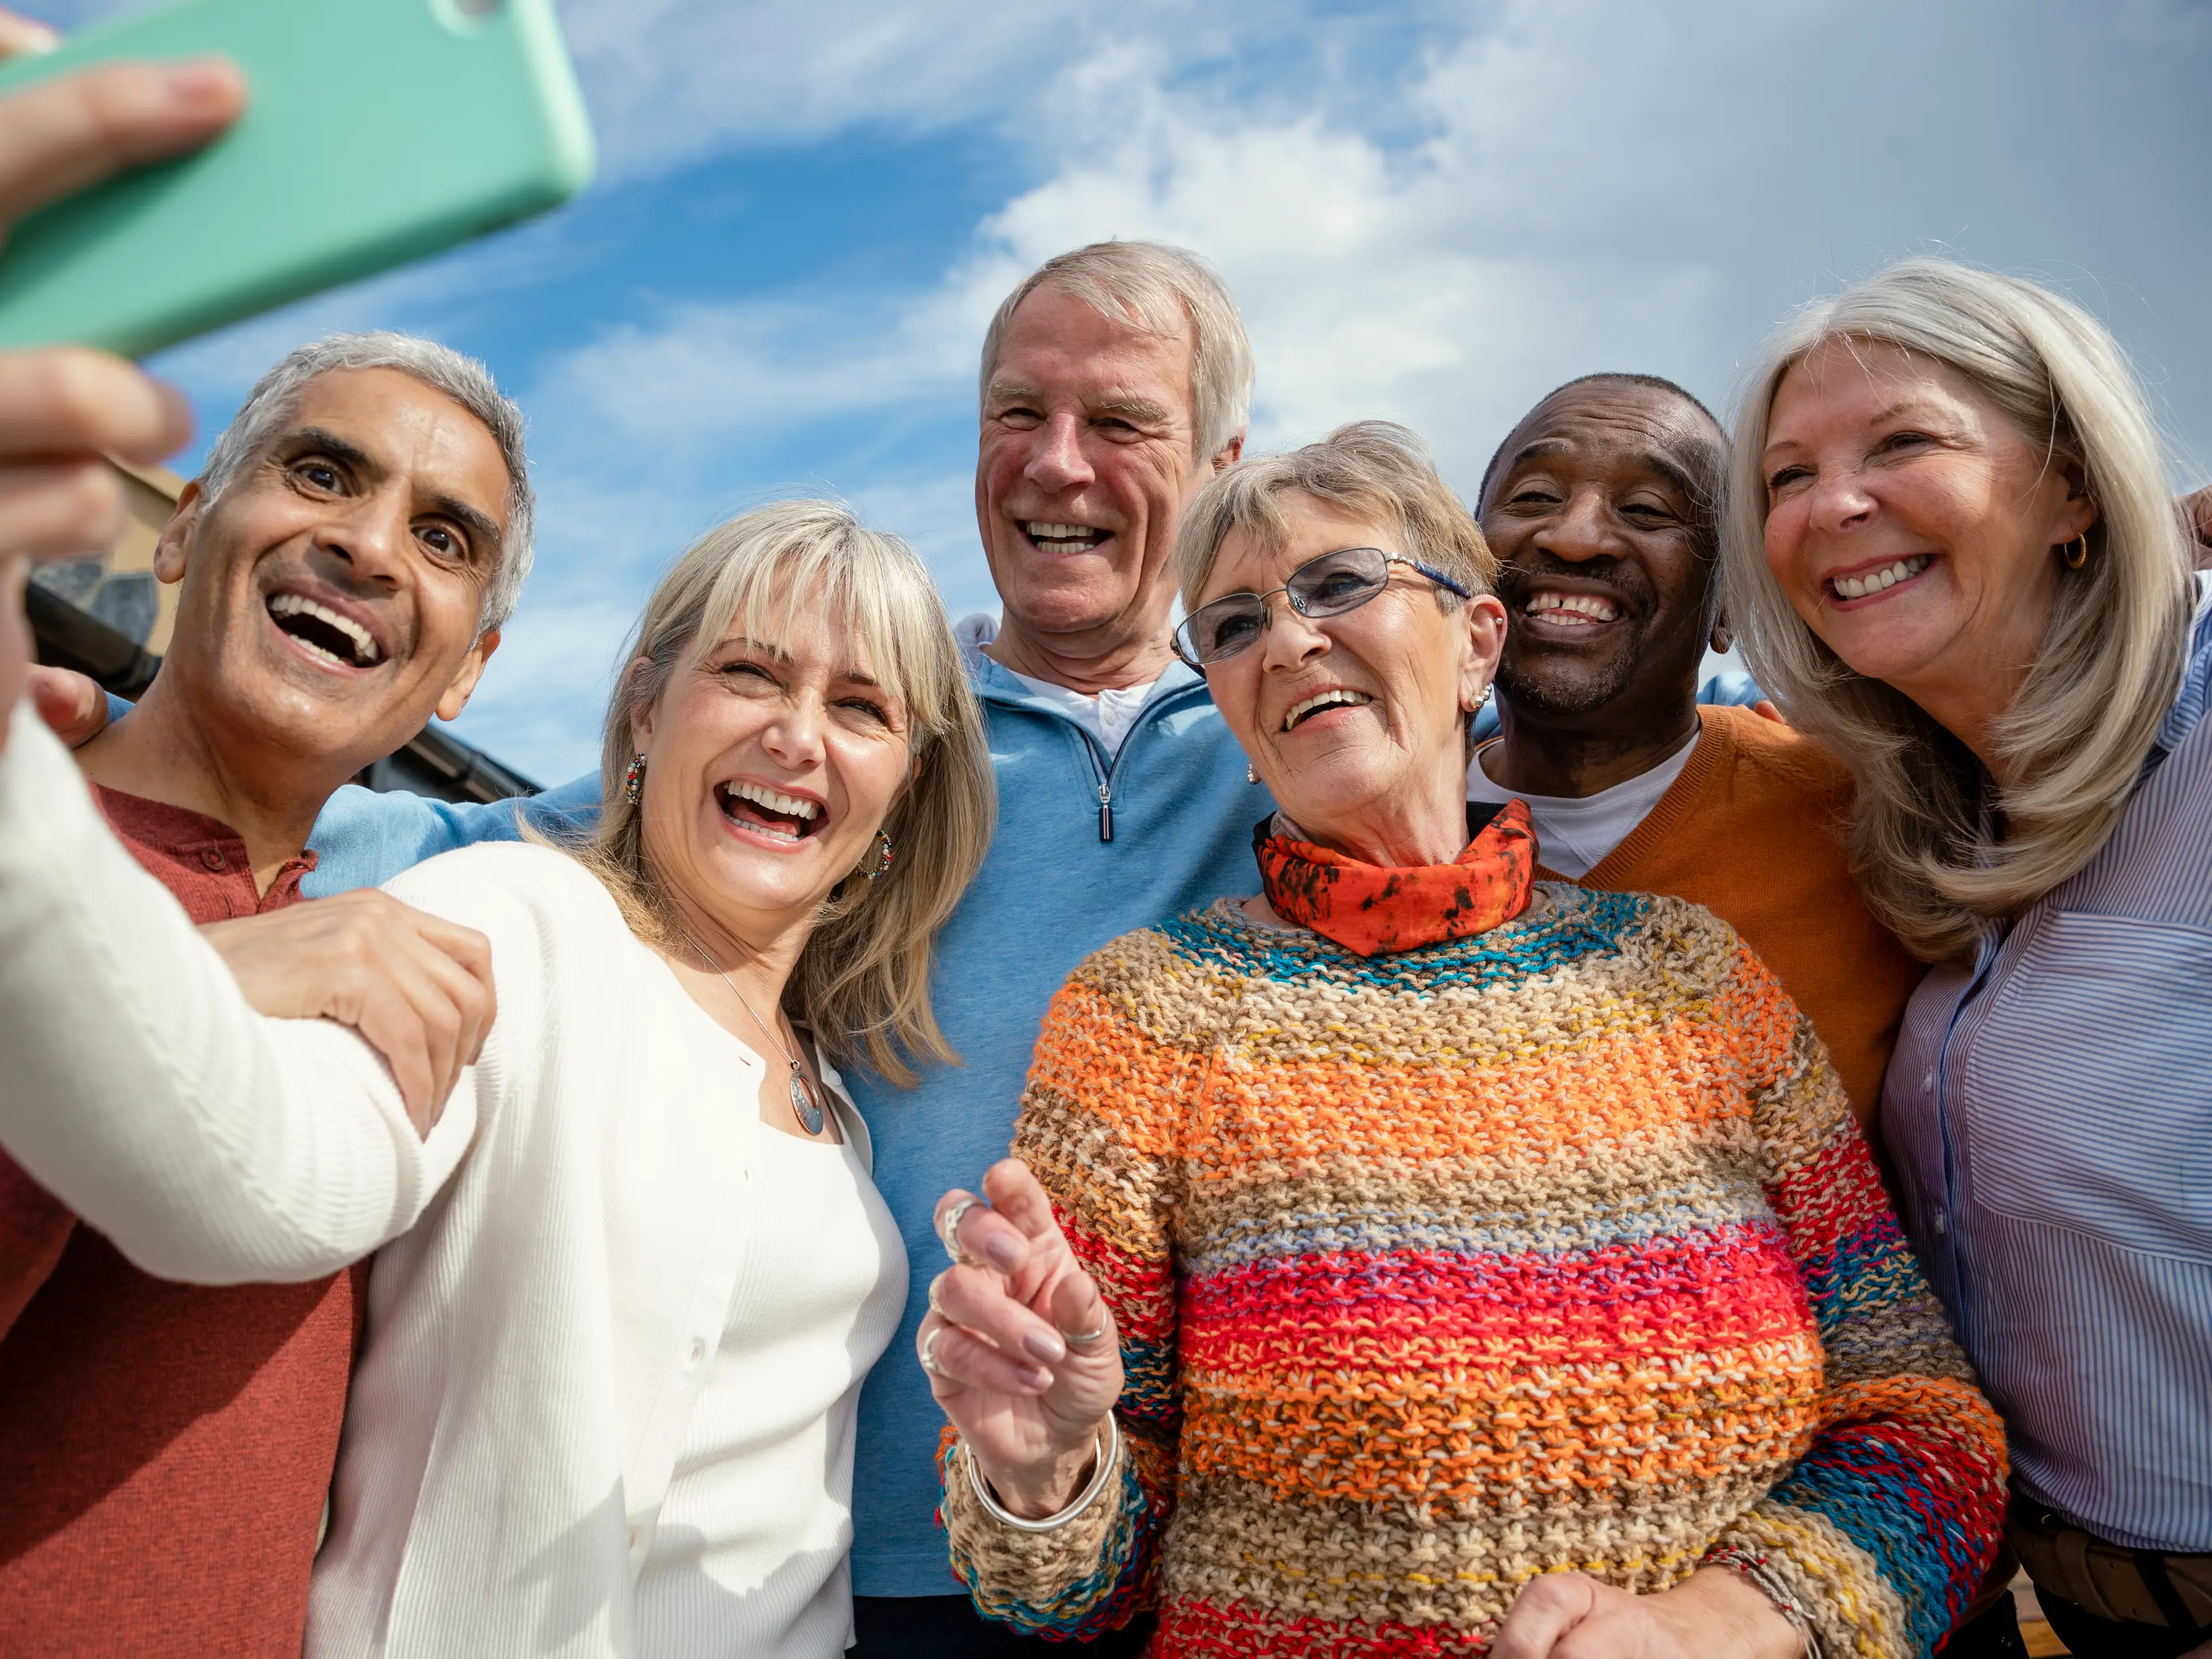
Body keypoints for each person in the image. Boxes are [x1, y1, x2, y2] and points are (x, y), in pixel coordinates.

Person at [245, 237, 1268, 1653]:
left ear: (1219, 457)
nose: (1060, 464)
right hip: (885, 1558)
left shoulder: (1281, 730)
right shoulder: (882, 721)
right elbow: (475, 841)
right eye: (1018, 415)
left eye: (1123, 424)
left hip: (1181, 1543)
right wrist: (125, 842)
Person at [914, 422, 2007, 1658]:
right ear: (1221, 698)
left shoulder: (1692, 975)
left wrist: (1724, 1626)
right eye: (1232, 625)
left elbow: (1924, 1418)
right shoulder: (1146, 1017)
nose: (1287, 639)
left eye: (1338, 585)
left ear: (1479, 640)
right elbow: (1067, 1584)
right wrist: (1049, 1475)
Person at [0, 6, 542, 1647]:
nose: (369, 545)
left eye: (442, 535)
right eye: (319, 475)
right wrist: (181, 995)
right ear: (181, 537)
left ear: (467, 663)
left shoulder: (409, 982)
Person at [1719, 257, 2212, 1659]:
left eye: (1904, 442)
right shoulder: (1918, 815)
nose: (1833, 506)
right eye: (1789, 473)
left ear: (2072, 484)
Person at [1466, 373, 1924, 1124]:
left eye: (1647, 509)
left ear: (1728, 606)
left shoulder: (1866, 811)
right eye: (1534, 498)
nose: (1573, 535)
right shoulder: (1377, 845)